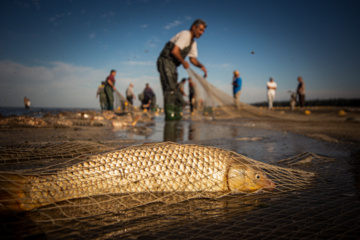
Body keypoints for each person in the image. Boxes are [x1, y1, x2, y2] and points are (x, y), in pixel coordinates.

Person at [157, 19, 208, 120]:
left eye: (203, 31)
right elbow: (174, 51)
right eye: (200, 29)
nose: (201, 33)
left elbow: (192, 59)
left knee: (175, 90)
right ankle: (170, 119)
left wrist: (201, 66)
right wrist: (183, 61)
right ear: (194, 27)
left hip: (173, 65)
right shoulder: (186, 34)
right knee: (170, 90)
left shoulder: (193, 43)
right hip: (165, 61)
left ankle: (175, 116)